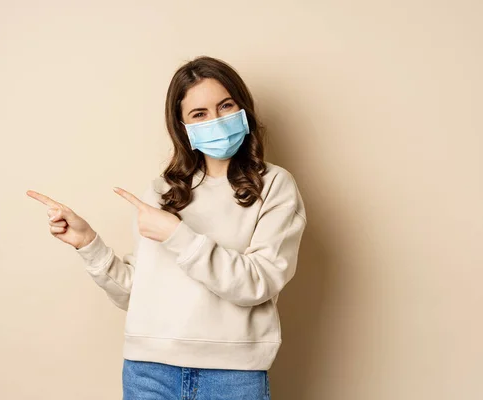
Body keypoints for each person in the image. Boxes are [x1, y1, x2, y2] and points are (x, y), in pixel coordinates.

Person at [27, 56, 307, 400]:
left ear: (243, 109)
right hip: (148, 373)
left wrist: (179, 236)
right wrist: (88, 243)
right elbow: (138, 292)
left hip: (232, 376)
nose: (216, 121)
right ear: (183, 125)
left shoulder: (275, 185)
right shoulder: (163, 191)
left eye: (226, 106)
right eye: (200, 114)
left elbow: (257, 282)